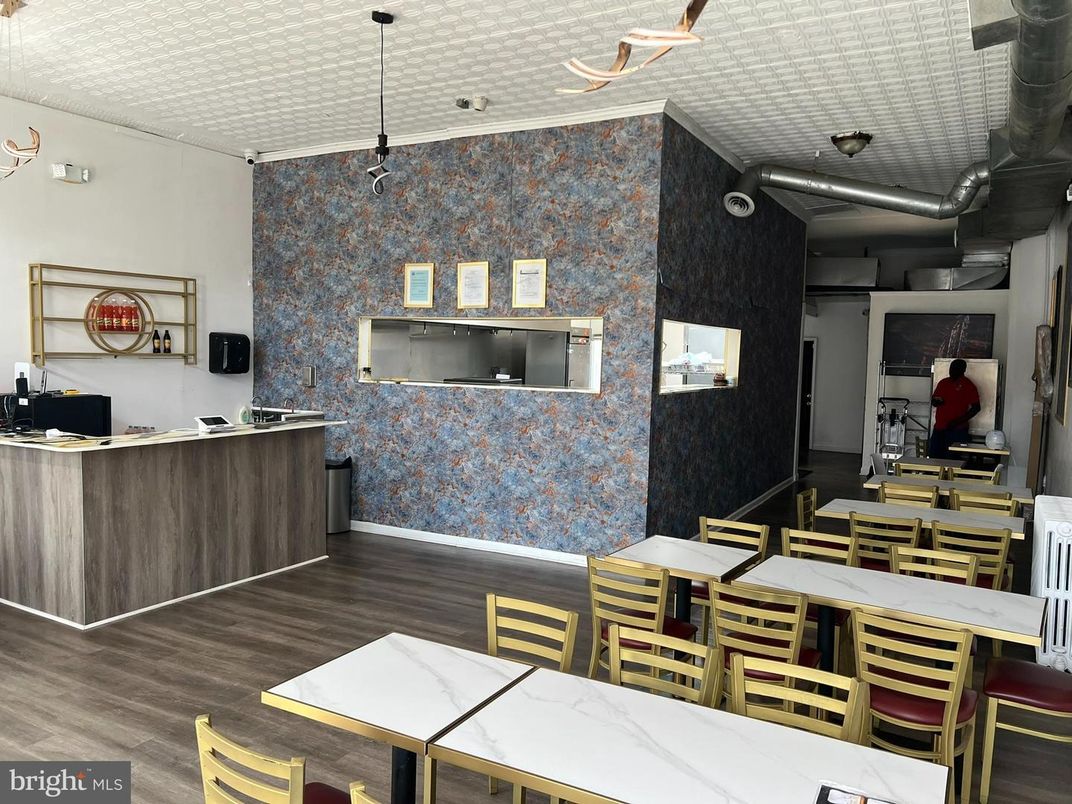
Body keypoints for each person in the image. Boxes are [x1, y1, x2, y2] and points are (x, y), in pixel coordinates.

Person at [929, 359, 981, 459]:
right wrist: (936, 401)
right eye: (951, 368)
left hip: (957, 430)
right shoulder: (943, 383)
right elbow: (934, 401)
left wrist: (958, 421)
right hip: (939, 428)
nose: (952, 370)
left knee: (951, 460)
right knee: (934, 457)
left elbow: (976, 408)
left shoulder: (968, 385)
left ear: (963, 370)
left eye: (955, 368)